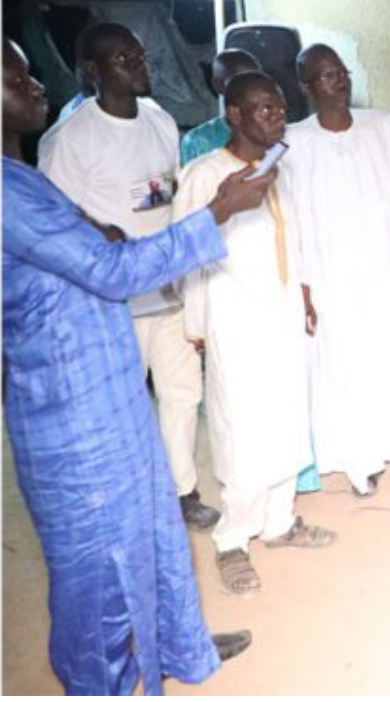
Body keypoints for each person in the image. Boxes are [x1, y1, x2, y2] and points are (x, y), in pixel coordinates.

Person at [3, 38, 263, 695]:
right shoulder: (11, 190)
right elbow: (112, 273)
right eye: (21, 76)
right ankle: (106, 681)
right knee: (100, 568)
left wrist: (96, 226)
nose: (38, 86)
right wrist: (219, 212)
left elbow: (82, 237)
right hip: (70, 409)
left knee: (152, 532)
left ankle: (177, 644)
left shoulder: (20, 177)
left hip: (106, 392)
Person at [37, 22, 220, 531]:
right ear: (91, 71)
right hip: (112, 302)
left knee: (183, 396)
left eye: (140, 56)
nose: (141, 66)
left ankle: (182, 493)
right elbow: (56, 221)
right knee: (117, 408)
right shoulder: (70, 137)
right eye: (125, 59)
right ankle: (123, 504)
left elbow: (168, 197)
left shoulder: (161, 120)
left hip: (169, 291)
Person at [174, 71, 335, 595]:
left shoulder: (274, 167)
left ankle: (280, 521)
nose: (275, 115)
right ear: (234, 116)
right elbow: (186, 257)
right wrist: (196, 325)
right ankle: (233, 540)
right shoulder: (204, 174)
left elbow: (292, 237)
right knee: (242, 432)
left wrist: (304, 292)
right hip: (234, 320)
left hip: (282, 313)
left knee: (289, 419)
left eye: (279, 107)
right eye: (262, 109)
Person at [287, 44, 390, 494]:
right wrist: (302, 286)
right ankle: (364, 461)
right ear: (306, 88)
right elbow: (292, 218)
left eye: (341, 71)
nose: (338, 79)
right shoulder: (294, 143)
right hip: (334, 277)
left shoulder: (381, 125)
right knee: (351, 365)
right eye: (325, 75)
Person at [180, 48, 262, 167]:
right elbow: (194, 184)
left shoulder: (272, 131)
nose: (251, 87)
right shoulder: (198, 141)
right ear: (218, 85)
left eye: (257, 79)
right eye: (240, 80)